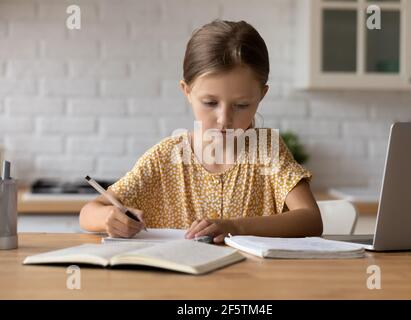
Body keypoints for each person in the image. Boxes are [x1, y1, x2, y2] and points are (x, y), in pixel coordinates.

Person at [79, 19, 323, 243]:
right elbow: (88, 212)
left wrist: (234, 227)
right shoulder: (164, 158)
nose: (224, 119)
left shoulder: (267, 151)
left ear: (262, 95)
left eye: (241, 105)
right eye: (210, 103)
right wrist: (109, 217)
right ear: (187, 92)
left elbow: (311, 220)